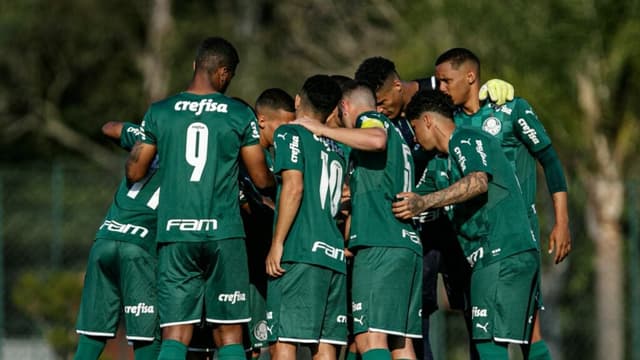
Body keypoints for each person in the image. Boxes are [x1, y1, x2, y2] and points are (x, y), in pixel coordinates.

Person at [125, 36, 275, 360]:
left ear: (195, 65)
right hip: (224, 234)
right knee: (230, 334)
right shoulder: (237, 113)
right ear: (224, 73)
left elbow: (134, 173)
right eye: (230, 76)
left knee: (175, 334)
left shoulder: (160, 111)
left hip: (177, 234)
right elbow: (261, 178)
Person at [355, 56, 509, 360]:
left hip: (456, 218)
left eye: (383, 101)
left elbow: (469, 91)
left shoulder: (440, 90)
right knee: (416, 311)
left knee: (472, 303)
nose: (381, 109)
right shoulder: (382, 122)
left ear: (397, 86)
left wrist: (493, 90)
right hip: (418, 225)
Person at [435, 47, 572, 359]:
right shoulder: (450, 122)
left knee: (528, 327)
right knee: (483, 329)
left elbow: (550, 161)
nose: (441, 87)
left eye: (446, 81)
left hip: (515, 235)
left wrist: (562, 222)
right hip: (472, 240)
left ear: (470, 77)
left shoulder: (510, 110)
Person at [393, 89, 540, 360]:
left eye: (414, 128)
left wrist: (424, 203)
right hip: (506, 256)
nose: (414, 137)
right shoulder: (438, 165)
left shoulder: (466, 138)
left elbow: (478, 182)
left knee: (488, 346)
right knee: (517, 343)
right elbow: (412, 198)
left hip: (500, 253)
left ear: (427, 121)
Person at [295, 80, 422, 360]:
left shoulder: (370, 119)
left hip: (380, 245)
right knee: (401, 344)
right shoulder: (401, 138)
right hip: (406, 247)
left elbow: (376, 139)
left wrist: (321, 128)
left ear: (344, 106)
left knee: (370, 340)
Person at [264, 74, 347, 360]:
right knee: (325, 348)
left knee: (284, 341)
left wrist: (277, 242)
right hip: (333, 254)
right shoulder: (338, 147)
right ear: (333, 110)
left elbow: (294, 187)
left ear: (298, 100)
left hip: (300, 251)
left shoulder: (289, 133)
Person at [74, 121, 161, 360]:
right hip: (139, 247)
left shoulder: (150, 141)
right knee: (146, 335)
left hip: (105, 240)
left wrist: (139, 135)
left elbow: (108, 127)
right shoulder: (189, 160)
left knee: (92, 335)